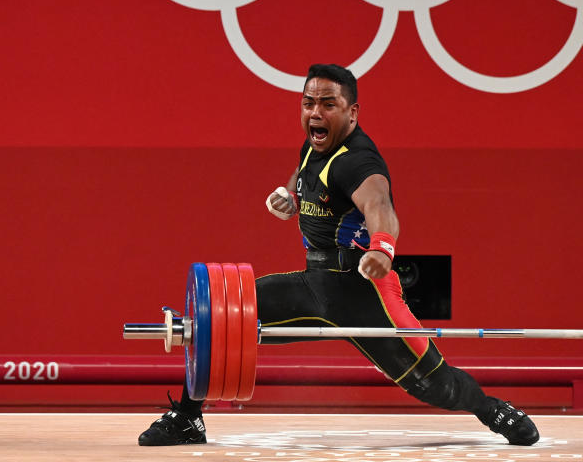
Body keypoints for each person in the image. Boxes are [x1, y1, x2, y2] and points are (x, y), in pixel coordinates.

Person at [138, 64, 540, 447]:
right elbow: (305, 170)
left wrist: (383, 247)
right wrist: (290, 193)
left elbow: (380, 205)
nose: (315, 112)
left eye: (328, 104)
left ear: (352, 112)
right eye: (309, 102)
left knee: (435, 386)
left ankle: (490, 409)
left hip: (364, 291)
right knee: (215, 322)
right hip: (315, 283)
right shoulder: (315, 144)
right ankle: (189, 418)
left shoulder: (357, 161)